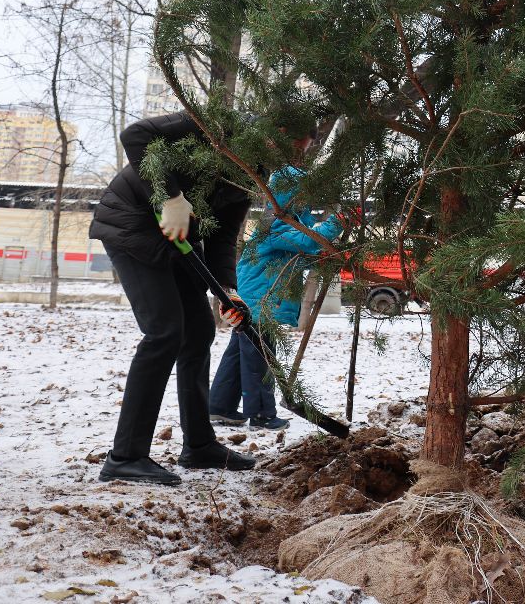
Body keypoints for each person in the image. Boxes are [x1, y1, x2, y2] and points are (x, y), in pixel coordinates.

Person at [89, 113, 256, 485]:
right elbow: (135, 135)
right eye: (295, 144)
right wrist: (171, 196)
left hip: (178, 239)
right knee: (165, 332)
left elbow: (223, 236)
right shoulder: (220, 125)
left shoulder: (251, 173)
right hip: (131, 224)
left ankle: (199, 445)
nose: (297, 154)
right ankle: (125, 457)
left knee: (198, 332)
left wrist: (228, 290)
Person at [209, 158, 340, 430]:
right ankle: (261, 415)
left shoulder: (286, 223)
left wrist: (321, 254)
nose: (306, 200)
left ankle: (219, 406)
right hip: (259, 303)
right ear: (289, 194)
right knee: (260, 357)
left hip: (255, 299)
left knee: (238, 354)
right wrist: (337, 223)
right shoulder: (276, 225)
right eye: (302, 194)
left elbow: (299, 253)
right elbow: (305, 242)